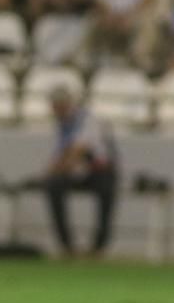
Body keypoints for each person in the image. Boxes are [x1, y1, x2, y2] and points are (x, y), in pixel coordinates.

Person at [41, 85, 119, 257]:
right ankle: (67, 246)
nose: (57, 110)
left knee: (107, 191)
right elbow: (62, 154)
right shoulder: (62, 126)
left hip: (100, 171)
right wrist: (49, 174)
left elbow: (78, 150)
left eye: (59, 106)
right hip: (77, 171)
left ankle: (98, 248)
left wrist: (55, 170)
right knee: (53, 187)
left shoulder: (87, 120)